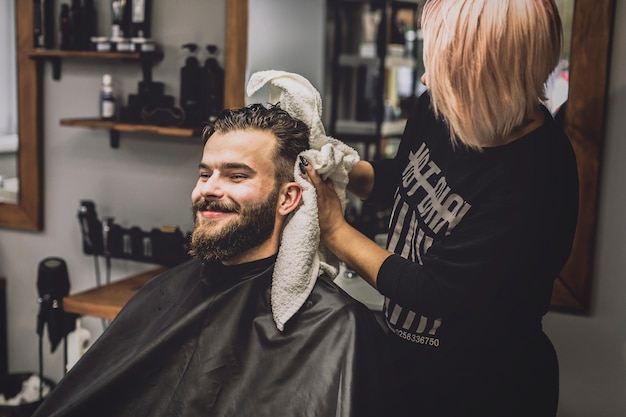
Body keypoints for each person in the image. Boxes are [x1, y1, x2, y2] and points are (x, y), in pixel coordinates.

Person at [300, 0, 579, 416]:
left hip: (485, 391)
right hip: (409, 370)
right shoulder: (443, 109)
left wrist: (335, 230)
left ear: (492, 79)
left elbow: (433, 291)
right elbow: (407, 176)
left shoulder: (537, 178)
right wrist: (345, 171)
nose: (429, 79)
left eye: (447, 71)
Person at [32, 103, 385, 417]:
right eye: (205, 173)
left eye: (236, 175)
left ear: (287, 198)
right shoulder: (165, 292)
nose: (208, 190)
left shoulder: (335, 325)